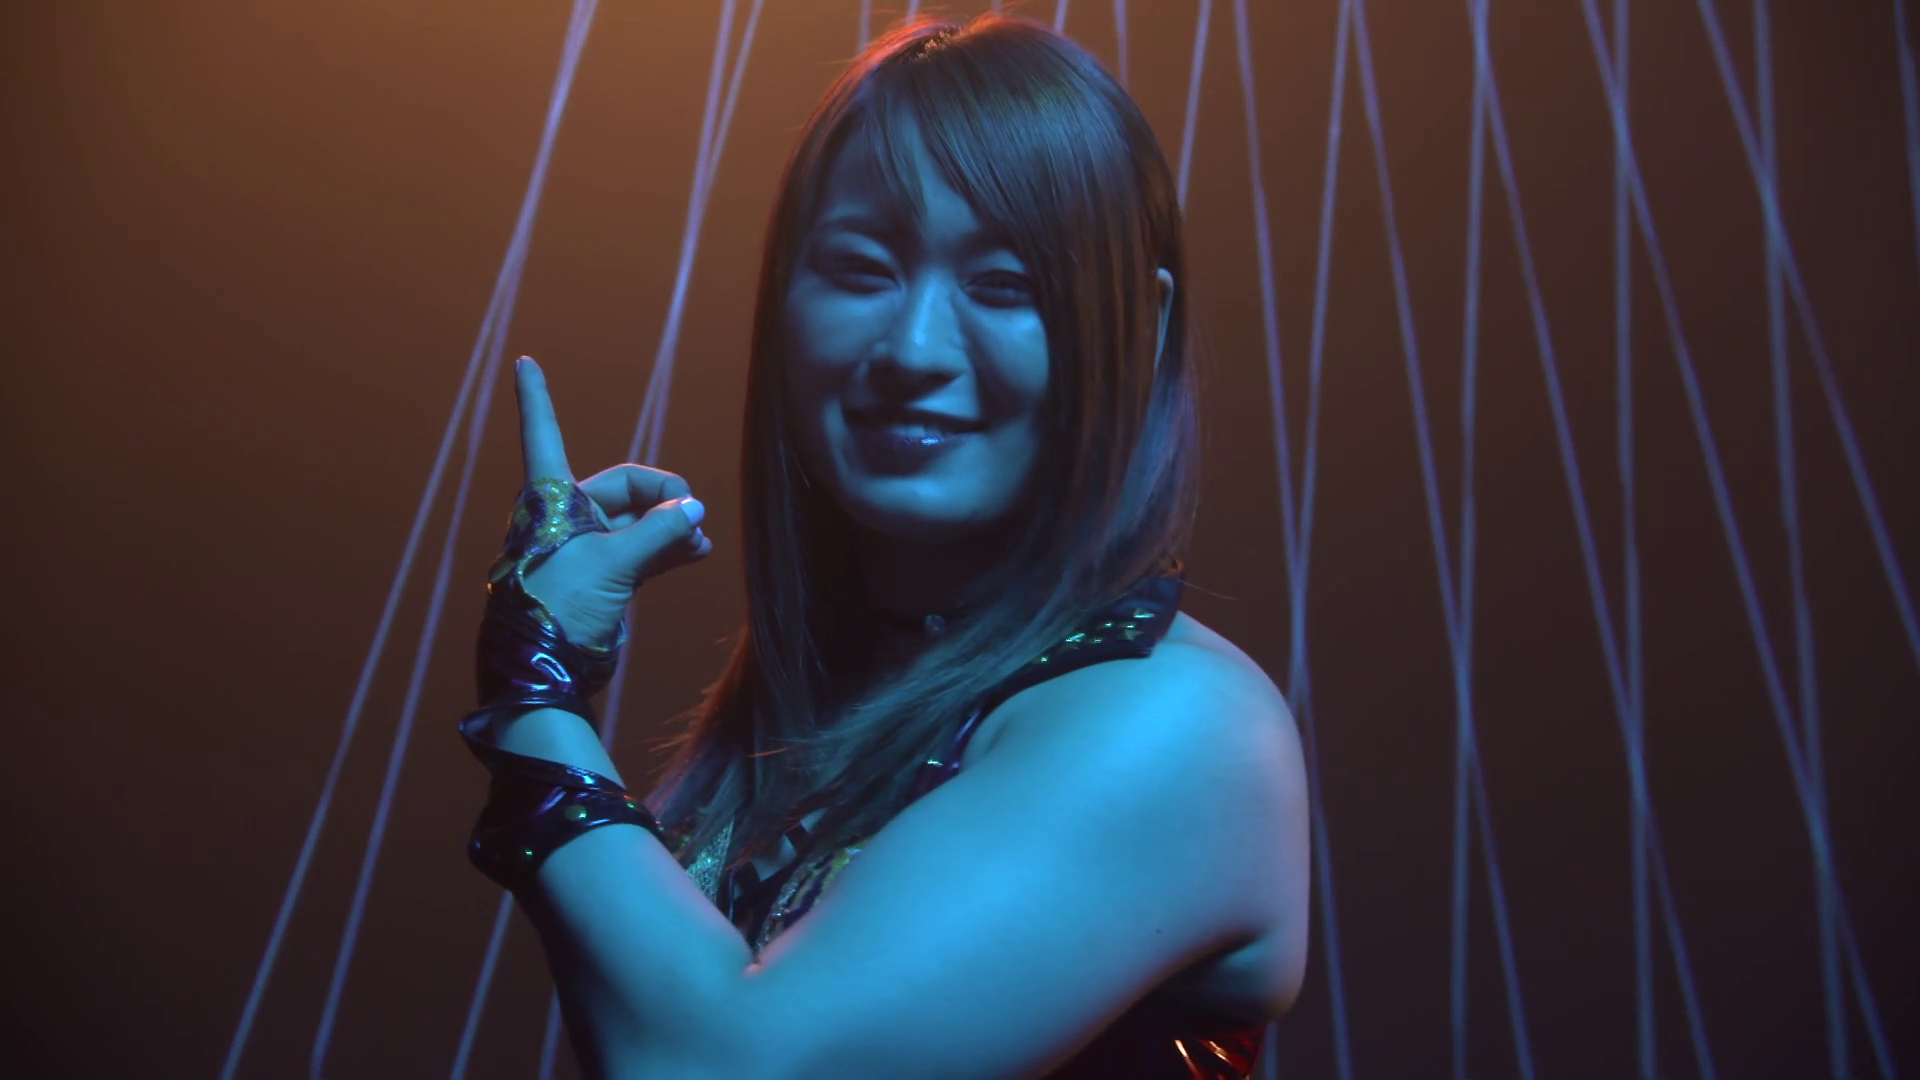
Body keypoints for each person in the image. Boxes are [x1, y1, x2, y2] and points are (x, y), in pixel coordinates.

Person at [459, 12, 1309, 1078]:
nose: (912, 349)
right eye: (862, 270)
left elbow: (716, 1069)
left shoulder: (1178, 726)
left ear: (1138, 328)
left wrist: (535, 688)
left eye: (1005, 286)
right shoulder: (848, 684)